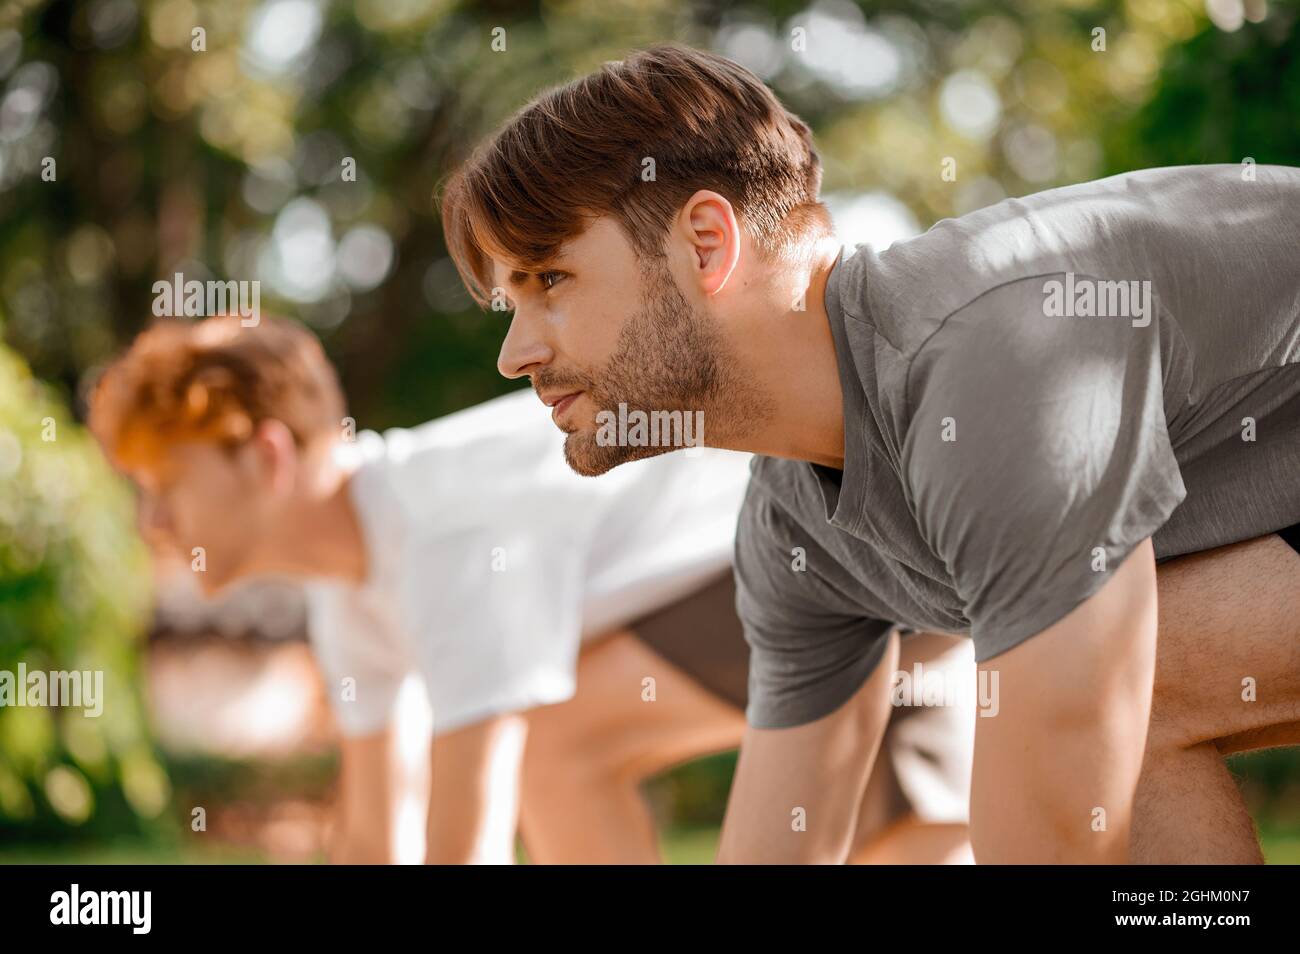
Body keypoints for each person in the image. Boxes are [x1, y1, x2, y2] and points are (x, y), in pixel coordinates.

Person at [439, 42, 1300, 863]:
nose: (515, 355)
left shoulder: (987, 355)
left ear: (706, 243)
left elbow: (1054, 841)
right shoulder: (791, 526)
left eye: (548, 280)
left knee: (1131, 680)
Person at [88, 314, 976, 864]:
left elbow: (464, 846)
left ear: (269, 457)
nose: (151, 524)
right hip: (844, 573)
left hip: (846, 554)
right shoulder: (349, 585)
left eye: (165, 485)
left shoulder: (440, 530)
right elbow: (375, 835)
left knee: (554, 746)